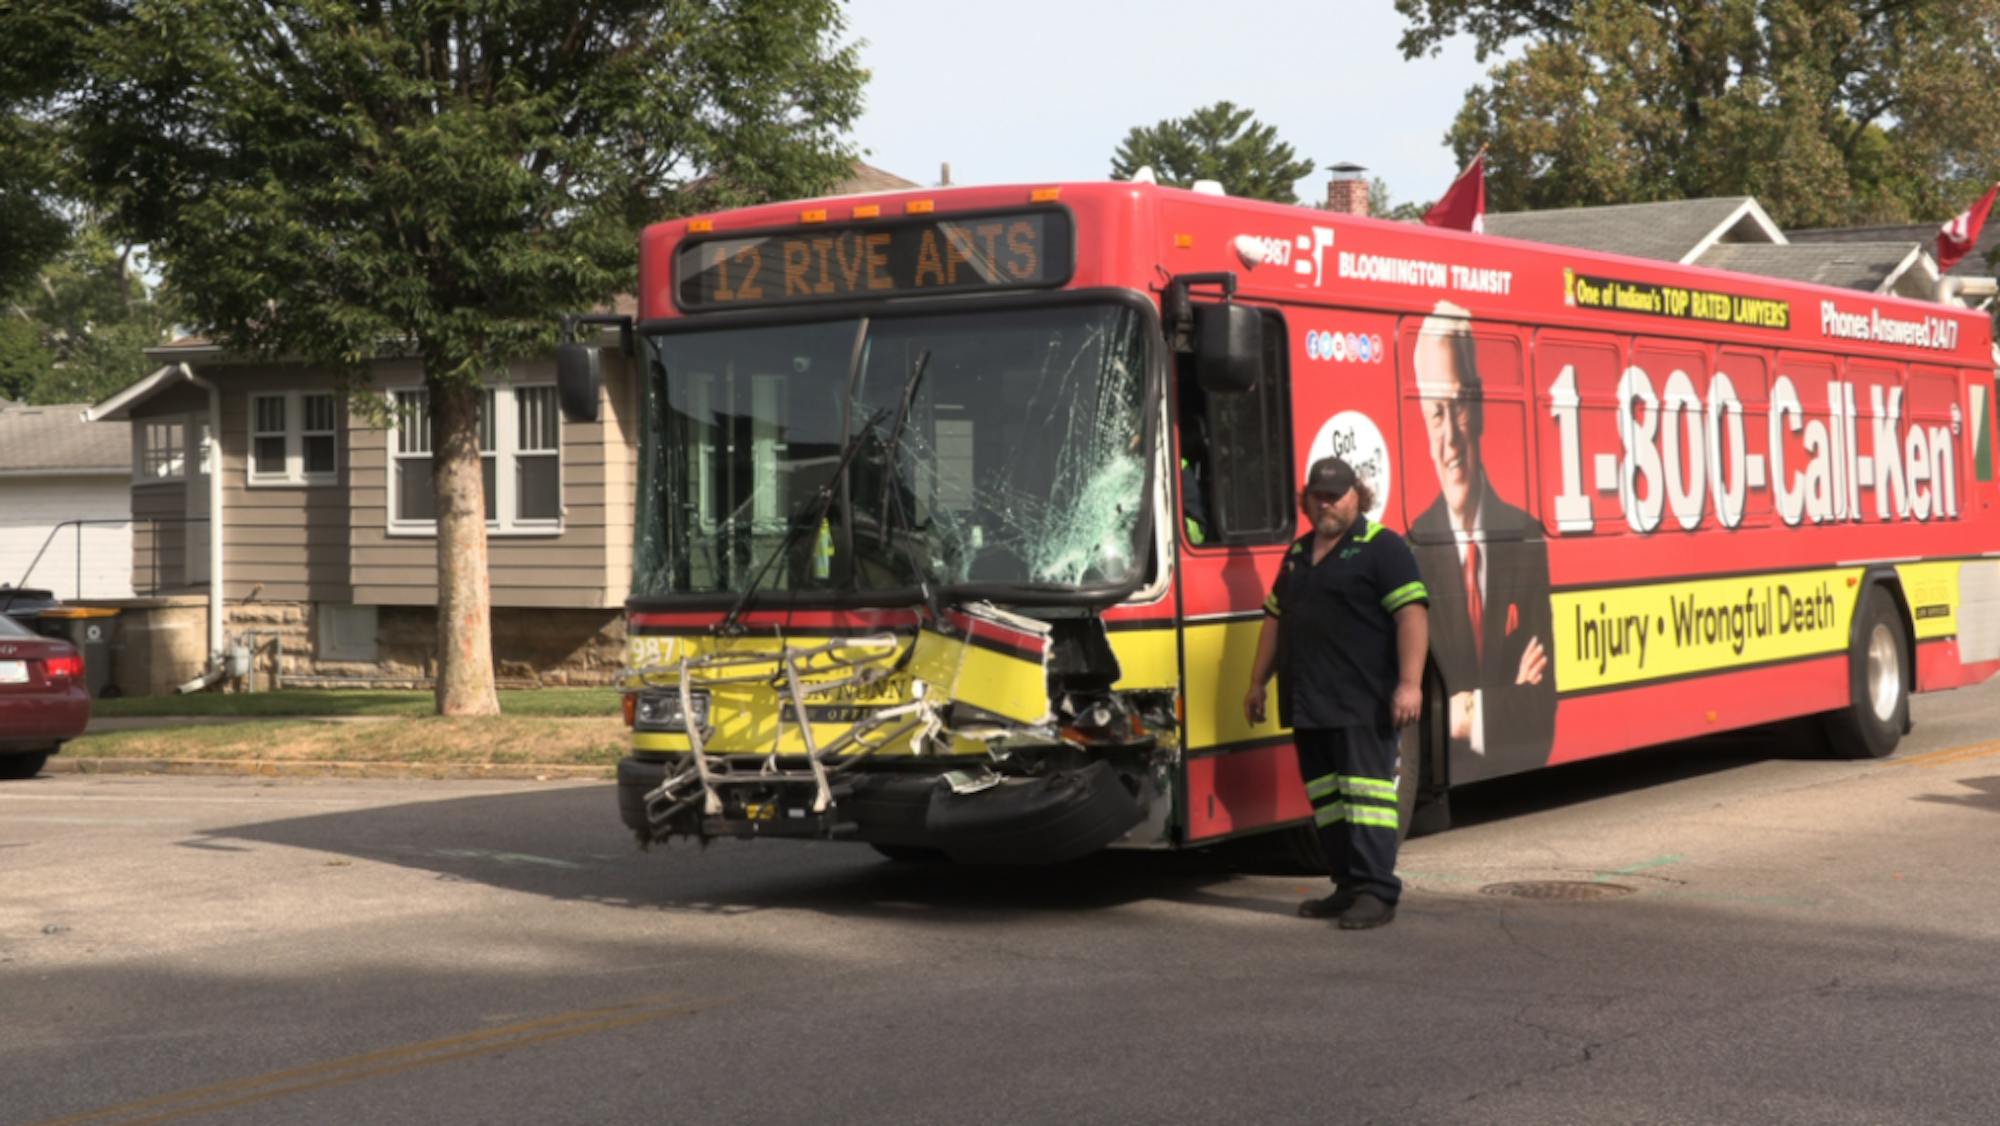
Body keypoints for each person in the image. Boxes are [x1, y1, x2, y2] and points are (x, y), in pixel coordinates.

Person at [1244, 457, 1429, 930]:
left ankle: (1376, 891)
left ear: (1357, 496)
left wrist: (1409, 684)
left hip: (1362, 700)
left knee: (1367, 798)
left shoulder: (1382, 548)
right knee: (1328, 801)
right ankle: (1347, 885)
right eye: (1318, 496)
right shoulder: (1298, 553)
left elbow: (1411, 615)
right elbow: (1275, 617)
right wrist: (1256, 681)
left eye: (1337, 494)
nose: (1327, 503)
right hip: (1309, 701)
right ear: (1306, 500)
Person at [1408, 301, 1556, 772]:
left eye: (1459, 407)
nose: (1450, 437)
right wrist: (1496, 703)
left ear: (1480, 404)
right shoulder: (1409, 550)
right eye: (1434, 414)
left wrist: (1461, 715)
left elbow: (1540, 718)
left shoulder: (1525, 539)